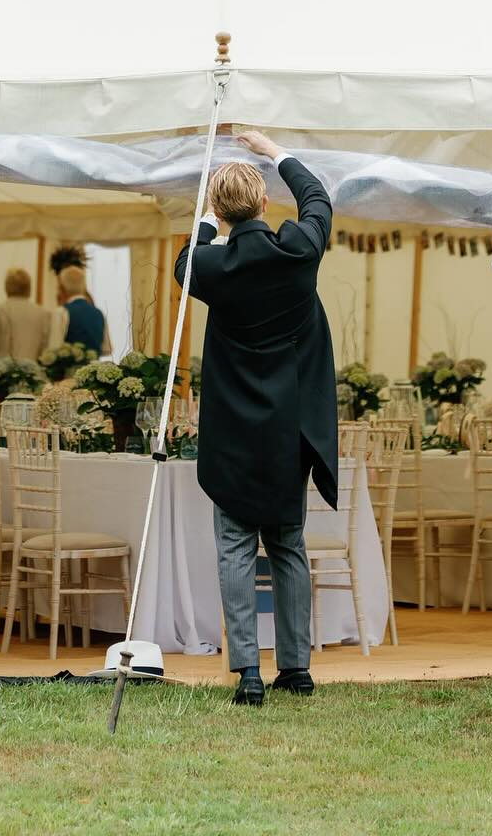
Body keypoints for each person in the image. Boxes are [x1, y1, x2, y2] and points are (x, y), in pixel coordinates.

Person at [175, 129, 337, 705]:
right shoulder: (298, 250)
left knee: (235, 546)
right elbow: (318, 199)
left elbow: (183, 262)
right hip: (289, 428)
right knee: (288, 542)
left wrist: (208, 225)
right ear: (265, 203)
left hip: (235, 432)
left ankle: (246, 670)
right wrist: (275, 152)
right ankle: (296, 669)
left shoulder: (212, 268)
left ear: (222, 211)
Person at [0, 268, 53, 366]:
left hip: (4, 376)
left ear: (6, 287)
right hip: (33, 374)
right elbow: (45, 350)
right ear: (29, 288)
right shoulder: (43, 313)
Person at [57, 264, 106, 356]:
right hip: (94, 368)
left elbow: (54, 347)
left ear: (62, 288)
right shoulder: (99, 313)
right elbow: (106, 349)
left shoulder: (62, 312)